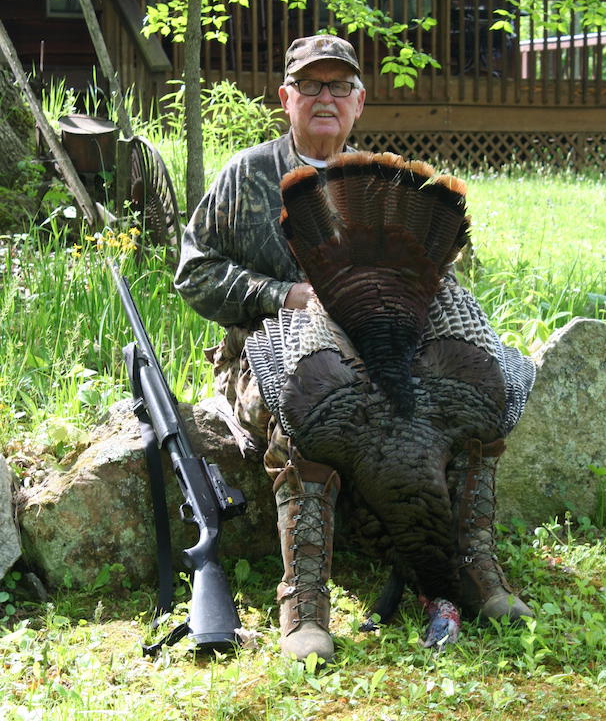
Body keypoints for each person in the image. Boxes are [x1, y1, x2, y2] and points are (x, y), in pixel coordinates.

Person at [174, 34, 531, 662]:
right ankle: (303, 607)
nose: (324, 98)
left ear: (358, 102)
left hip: (374, 355)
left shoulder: (380, 183)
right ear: (285, 97)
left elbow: (441, 277)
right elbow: (193, 274)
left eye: (339, 86)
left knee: (466, 399)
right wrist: (286, 296)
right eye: (310, 85)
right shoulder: (247, 174)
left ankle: (475, 570)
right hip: (262, 350)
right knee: (307, 407)